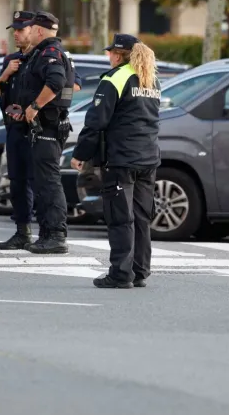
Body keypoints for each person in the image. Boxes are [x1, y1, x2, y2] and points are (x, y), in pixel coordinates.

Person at [70, 34, 161, 289]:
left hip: (122, 159)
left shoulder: (115, 78)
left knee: (121, 217)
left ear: (119, 55)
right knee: (142, 217)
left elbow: (96, 121)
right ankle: (140, 271)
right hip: (148, 158)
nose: (108, 56)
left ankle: (121, 274)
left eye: (110, 52)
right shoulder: (151, 79)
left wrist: (80, 154)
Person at [16, 11, 75, 254]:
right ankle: (46, 234)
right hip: (47, 126)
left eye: (31, 28)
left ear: (39, 30)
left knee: (49, 182)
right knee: (43, 181)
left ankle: (56, 235)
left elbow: (56, 83)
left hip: (48, 126)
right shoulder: (52, 52)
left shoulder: (50, 53)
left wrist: (35, 106)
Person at [0, 10, 38, 250]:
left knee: (38, 181)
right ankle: (22, 231)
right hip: (13, 128)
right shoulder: (10, 60)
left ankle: (50, 232)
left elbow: (71, 84)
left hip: (36, 129)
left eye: (21, 30)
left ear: (33, 29)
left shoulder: (44, 56)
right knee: (17, 181)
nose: (17, 35)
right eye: (15, 31)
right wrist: (6, 73)